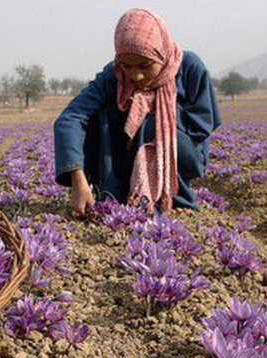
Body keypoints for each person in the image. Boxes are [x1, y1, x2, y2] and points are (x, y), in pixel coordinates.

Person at [54, 8, 221, 215]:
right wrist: (77, 177)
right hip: (127, 156)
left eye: (145, 65)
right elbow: (71, 118)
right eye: (127, 65)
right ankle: (113, 191)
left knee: (150, 119)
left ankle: (172, 197)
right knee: (101, 113)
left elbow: (201, 127)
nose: (136, 75)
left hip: (182, 154)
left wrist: (151, 115)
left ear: (161, 53)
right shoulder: (114, 74)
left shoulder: (188, 67)